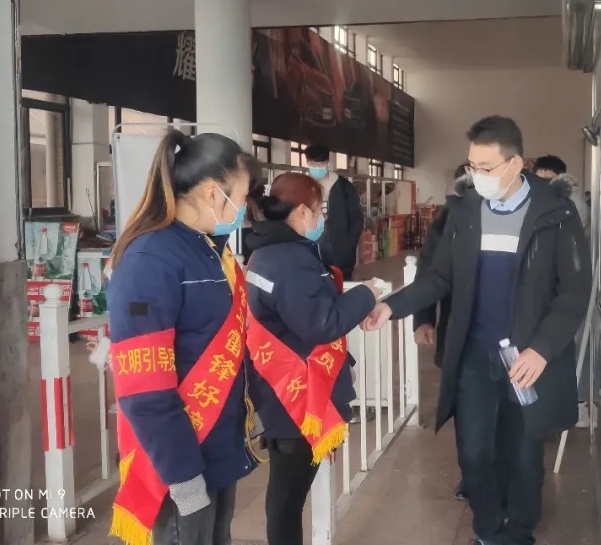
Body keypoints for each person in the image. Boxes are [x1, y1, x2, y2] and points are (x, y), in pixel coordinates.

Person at [363, 116, 592, 545]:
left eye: (486, 167)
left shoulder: (555, 213)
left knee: (523, 455)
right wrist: (392, 306)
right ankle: (488, 531)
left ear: (515, 163)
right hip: (473, 355)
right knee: (474, 453)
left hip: (527, 362)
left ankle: (518, 534)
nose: (477, 176)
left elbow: (575, 291)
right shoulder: (466, 211)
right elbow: (439, 276)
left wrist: (542, 349)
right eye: (472, 166)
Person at [106, 129, 260, 545]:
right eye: (241, 197)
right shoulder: (150, 260)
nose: (244, 209)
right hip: (178, 463)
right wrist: (183, 477)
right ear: (213, 194)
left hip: (217, 448)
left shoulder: (209, 251)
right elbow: (144, 389)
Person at [243, 172, 385, 545]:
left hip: (276, 386)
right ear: (302, 211)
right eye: (320, 210)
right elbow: (321, 323)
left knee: (284, 494)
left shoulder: (265, 253)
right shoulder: (291, 261)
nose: (322, 218)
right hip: (297, 393)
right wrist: (367, 294)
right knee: (286, 499)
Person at [412, 163, 471, 501]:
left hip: (508, 337)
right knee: (466, 407)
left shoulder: (517, 216)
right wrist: (423, 318)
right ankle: (471, 474)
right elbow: (427, 272)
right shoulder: (447, 219)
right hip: (458, 330)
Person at [532, 154, 594, 429]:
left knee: (565, 345)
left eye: (548, 179)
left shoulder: (571, 206)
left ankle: (576, 405)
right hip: (545, 288)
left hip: (565, 288)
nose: (543, 184)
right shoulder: (539, 203)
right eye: (539, 178)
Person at [303, 144, 364, 280]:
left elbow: (357, 219)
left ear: (327, 163)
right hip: (311, 251)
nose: (316, 168)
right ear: (307, 163)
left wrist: (348, 246)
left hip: (340, 253)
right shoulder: (303, 186)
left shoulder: (344, 187)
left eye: (320, 164)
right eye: (313, 164)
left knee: (340, 287)